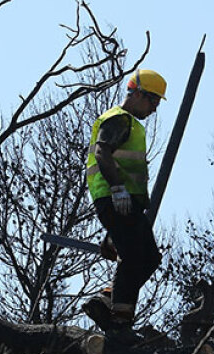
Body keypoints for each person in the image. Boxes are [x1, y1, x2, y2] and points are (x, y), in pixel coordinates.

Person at [82, 69, 166, 330]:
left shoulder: (131, 124)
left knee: (149, 257)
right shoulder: (118, 119)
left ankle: (107, 299)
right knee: (133, 257)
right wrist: (117, 188)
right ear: (138, 94)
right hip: (115, 198)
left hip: (126, 203)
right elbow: (102, 152)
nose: (154, 108)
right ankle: (120, 320)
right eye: (153, 100)